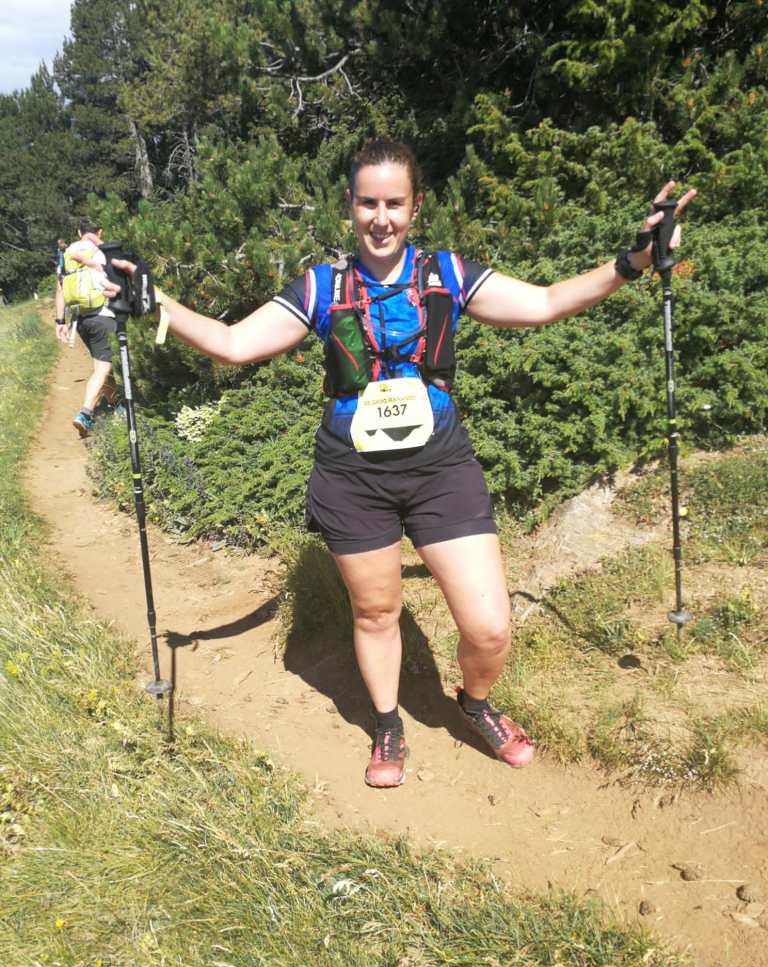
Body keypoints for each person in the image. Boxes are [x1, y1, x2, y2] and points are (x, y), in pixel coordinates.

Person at [114, 139, 695, 788]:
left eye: (394, 203)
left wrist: (632, 261)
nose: (381, 218)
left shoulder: (447, 274)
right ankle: (387, 723)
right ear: (350, 206)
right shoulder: (323, 286)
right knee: (376, 613)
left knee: (489, 627)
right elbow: (231, 343)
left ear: (416, 207)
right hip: (352, 477)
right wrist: (156, 302)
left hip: (441, 471)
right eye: (368, 203)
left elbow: (545, 303)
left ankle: (474, 701)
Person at [55, 219, 121, 436]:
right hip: (103, 316)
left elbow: (60, 289)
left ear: (78, 232)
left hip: (81, 320)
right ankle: (85, 413)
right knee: (103, 367)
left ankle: (116, 405)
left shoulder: (66, 255)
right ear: (99, 231)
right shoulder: (101, 251)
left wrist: (60, 322)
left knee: (103, 365)